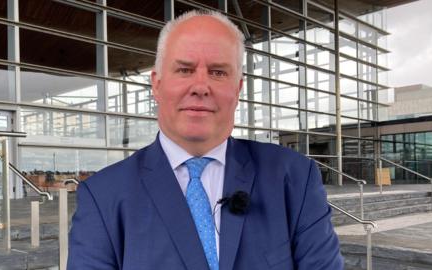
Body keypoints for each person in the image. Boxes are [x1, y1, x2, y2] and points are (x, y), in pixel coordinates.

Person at [68, 10, 343, 270]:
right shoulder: (103, 197)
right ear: (156, 84)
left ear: (237, 88)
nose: (200, 87)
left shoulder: (293, 178)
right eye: (185, 70)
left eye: (218, 72)